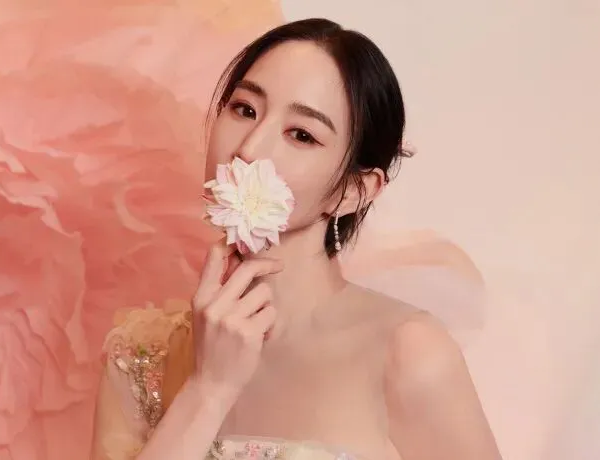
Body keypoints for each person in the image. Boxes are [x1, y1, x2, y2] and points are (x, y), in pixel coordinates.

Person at [91, 18, 502, 460]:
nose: (249, 149)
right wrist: (208, 389)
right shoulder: (141, 355)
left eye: (302, 135)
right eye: (245, 109)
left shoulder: (409, 353)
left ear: (354, 191)